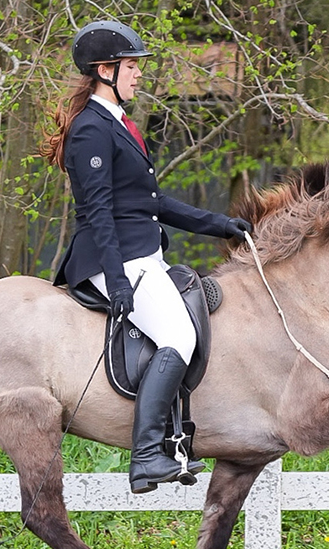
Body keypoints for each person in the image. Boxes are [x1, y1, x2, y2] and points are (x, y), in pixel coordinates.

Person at [44, 20, 252, 494]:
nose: (139, 75)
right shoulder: (91, 130)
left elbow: (150, 202)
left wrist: (219, 224)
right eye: (132, 66)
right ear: (105, 70)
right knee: (178, 334)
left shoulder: (120, 124)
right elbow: (98, 211)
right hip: (112, 259)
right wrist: (116, 280)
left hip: (142, 256)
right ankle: (146, 457)